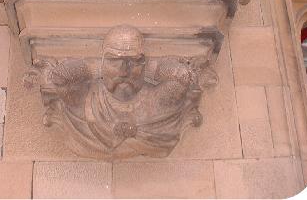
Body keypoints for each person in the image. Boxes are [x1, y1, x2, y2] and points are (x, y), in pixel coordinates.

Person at [37, 25, 205, 158]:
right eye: (115, 60)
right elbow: (59, 77)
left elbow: (182, 76)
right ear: (103, 61)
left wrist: (148, 68)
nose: (124, 70)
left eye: (132, 61)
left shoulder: (156, 99)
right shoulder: (87, 98)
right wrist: (94, 67)